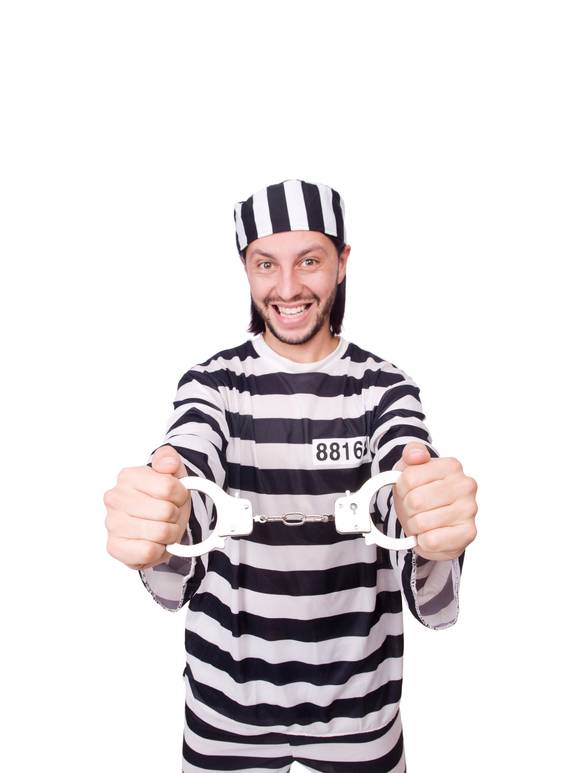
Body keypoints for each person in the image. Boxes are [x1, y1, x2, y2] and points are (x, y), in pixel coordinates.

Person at [102, 180, 479, 772]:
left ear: (343, 262)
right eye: (265, 265)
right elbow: (189, 472)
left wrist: (432, 532)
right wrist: (164, 523)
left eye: (309, 261)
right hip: (224, 706)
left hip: (361, 709)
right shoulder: (212, 386)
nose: (287, 288)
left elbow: (421, 557)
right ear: (245, 270)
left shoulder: (385, 389)